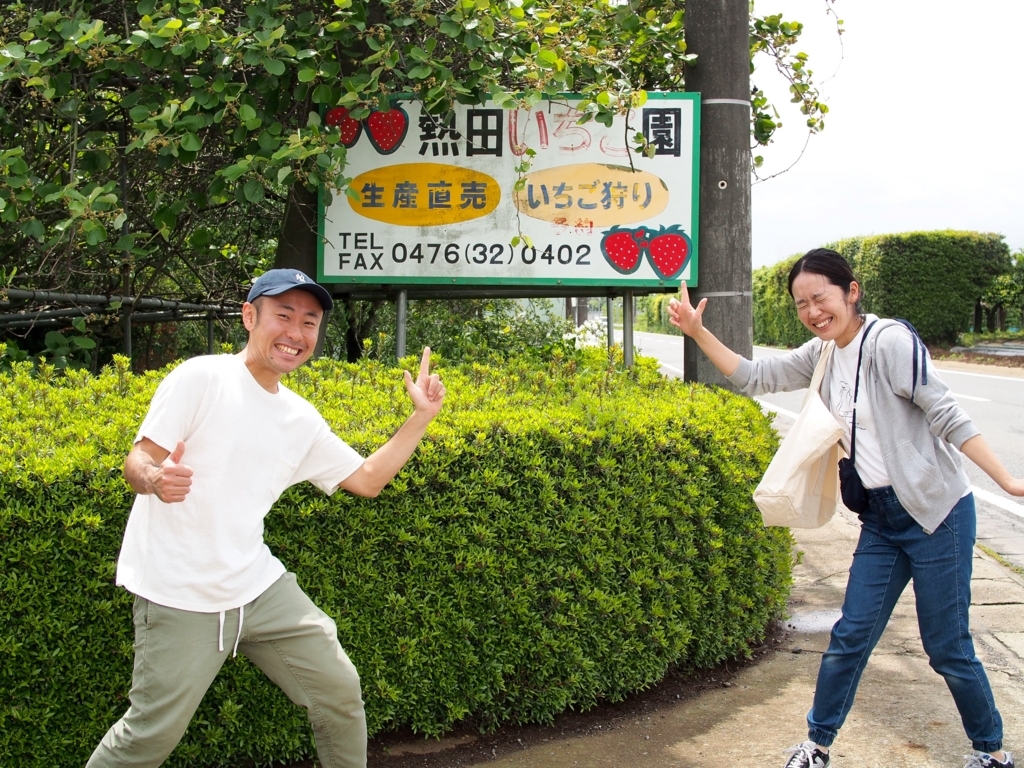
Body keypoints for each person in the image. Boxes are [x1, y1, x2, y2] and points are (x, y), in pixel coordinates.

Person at [667, 249, 1024, 768]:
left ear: (851, 291)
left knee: (946, 645)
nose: (812, 311)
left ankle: (990, 750)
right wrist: (698, 332)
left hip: (938, 515)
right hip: (881, 520)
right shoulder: (824, 352)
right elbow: (754, 376)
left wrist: (1008, 481)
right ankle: (816, 745)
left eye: (821, 298)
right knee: (850, 635)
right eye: (801, 304)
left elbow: (945, 413)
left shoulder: (890, 342)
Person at [87, 269, 445, 768]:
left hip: (257, 587)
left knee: (339, 693)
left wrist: (420, 417)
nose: (296, 334)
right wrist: (154, 481)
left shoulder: (300, 419)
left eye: (309, 322)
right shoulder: (201, 377)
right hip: (179, 593)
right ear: (249, 316)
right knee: (150, 733)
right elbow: (138, 461)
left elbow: (366, 480)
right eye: (283, 316)